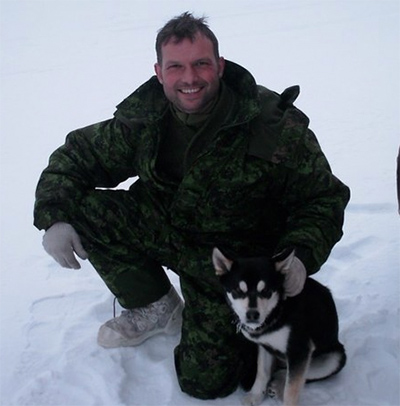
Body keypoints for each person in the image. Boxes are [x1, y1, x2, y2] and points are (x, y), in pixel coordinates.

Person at [34, 12, 350, 400]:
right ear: (159, 71)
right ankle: (154, 306)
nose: (190, 78)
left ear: (218, 64)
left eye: (201, 63)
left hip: (231, 264)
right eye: (176, 67)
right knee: (83, 209)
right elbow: (77, 155)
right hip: (165, 226)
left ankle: (247, 338)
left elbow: (323, 198)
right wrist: (54, 216)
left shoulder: (272, 127)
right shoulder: (145, 118)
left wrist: (300, 254)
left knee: (205, 382)